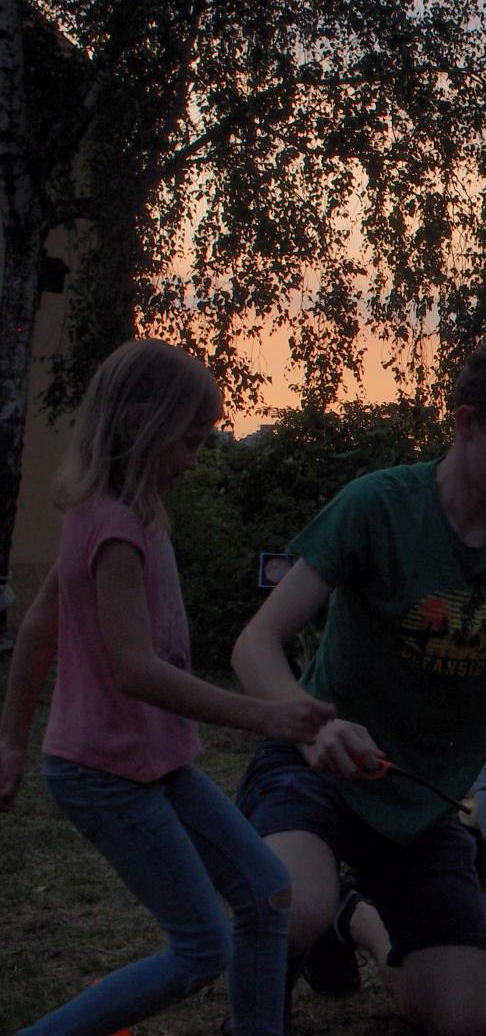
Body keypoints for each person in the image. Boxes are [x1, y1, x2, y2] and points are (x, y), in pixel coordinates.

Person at [230, 339, 486, 1036]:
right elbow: (255, 643)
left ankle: (353, 920)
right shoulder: (377, 504)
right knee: (290, 905)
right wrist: (312, 726)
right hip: (322, 765)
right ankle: (271, 984)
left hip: (421, 796)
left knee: (459, 1019)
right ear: (466, 423)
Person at [0, 339, 333, 1036]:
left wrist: (9, 745)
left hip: (154, 762)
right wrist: (266, 716)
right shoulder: (113, 528)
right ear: (138, 424)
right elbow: (136, 669)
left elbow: (35, 628)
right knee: (200, 948)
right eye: (188, 441)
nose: (193, 459)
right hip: (103, 773)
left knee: (268, 895)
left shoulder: (122, 512)